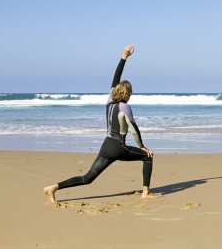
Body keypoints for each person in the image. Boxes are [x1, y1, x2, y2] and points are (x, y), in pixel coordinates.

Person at [43, 45, 158, 204]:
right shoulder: (125, 107)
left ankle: (53, 187)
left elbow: (115, 78)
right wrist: (143, 146)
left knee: (88, 177)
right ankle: (145, 192)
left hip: (106, 146)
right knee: (147, 157)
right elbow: (134, 130)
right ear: (127, 94)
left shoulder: (110, 101)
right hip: (119, 147)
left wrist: (123, 57)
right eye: (130, 93)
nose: (131, 95)